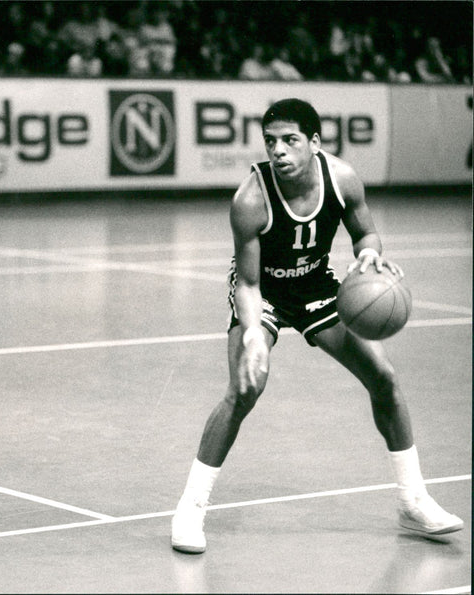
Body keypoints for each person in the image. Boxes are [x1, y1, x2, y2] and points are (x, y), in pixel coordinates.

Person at [170, 98, 463, 554]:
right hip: (263, 293)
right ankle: (190, 508)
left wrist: (368, 252)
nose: (279, 152)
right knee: (245, 390)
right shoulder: (250, 199)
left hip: (315, 286)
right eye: (271, 142)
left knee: (383, 378)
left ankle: (413, 501)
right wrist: (252, 332)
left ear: (314, 142)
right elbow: (247, 283)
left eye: (289, 141)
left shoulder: (341, 179)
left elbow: (365, 232)